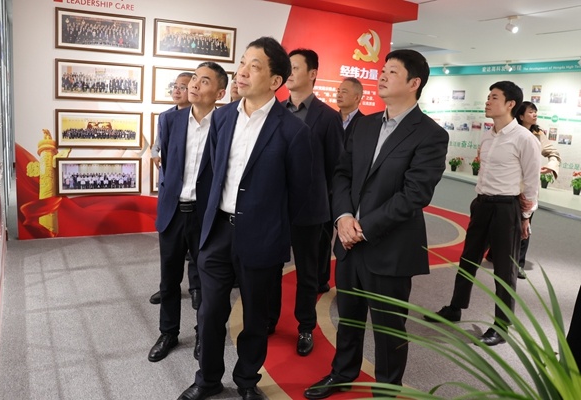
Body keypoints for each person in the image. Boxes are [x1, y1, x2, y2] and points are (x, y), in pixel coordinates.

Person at [304, 49, 449, 399]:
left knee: (389, 329)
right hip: (349, 241)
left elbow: (415, 194)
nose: (382, 76)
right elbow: (342, 174)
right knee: (349, 319)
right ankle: (342, 373)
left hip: (390, 247)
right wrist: (343, 218)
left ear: (414, 83)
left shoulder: (430, 134)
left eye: (392, 72)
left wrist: (362, 227)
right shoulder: (365, 124)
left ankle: (386, 389)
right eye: (382, 69)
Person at [178, 37, 317, 400]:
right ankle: (207, 379)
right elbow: (211, 174)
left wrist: (273, 229)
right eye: (242, 63)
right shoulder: (223, 118)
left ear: (275, 81)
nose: (242, 72)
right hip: (217, 233)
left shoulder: (293, 131)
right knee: (210, 313)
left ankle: (246, 380)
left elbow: (300, 194)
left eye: (254, 66)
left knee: (255, 317)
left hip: (261, 238)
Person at [426, 81, 542, 347]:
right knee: (468, 259)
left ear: (510, 104)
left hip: (507, 209)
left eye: (494, 97)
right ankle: (455, 308)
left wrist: (526, 217)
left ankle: (501, 325)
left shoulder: (524, 138)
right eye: (488, 96)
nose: (488, 101)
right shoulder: (488, 135)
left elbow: (531, 182)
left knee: (504, 269)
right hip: (482, 205)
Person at [148, 62, 227, 363]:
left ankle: (203, 334)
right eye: (194, 78)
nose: (194, 84)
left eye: (204, 81)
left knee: (206, 282)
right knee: (169, 279)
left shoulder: (225, 124)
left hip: (206, 216)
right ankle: (168, 332)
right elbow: (167, 165)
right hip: (173, 212)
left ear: (219, 92)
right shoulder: (171, 120)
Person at [267, 48, 343, 356]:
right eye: (287, 67)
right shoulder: (274, 112)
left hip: (311, 211)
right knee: (270, 268)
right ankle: (269, 320)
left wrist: (328, 207)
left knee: (308, 273)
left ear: (312, 74)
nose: (289, 73)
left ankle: (305, 327)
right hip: (274, 208)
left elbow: (336, 167)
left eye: (295, 67)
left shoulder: (328, 117)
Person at [486, 100, 561, 279]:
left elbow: (554, 153)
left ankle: (518, 263)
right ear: (520, 115)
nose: (535, 115)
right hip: (506, 187)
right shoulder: (509, 132)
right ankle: (493, 253)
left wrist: (551, 165)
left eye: (536, 111)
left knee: (524, 226)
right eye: (531, 112)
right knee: (500, 223)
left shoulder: (537, 135)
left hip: (527, 188)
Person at [149, 72, 201, 308]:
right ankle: (168, 288)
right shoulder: (166, 117)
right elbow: (157, 144)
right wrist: (155, 155)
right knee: (170, 250)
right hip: (171, 189)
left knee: (196, 249)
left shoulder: (208, 120)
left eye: (184, 86)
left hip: (195, 195)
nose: (178, 90)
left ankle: (196, 287)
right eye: (175, 86)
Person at [336, 77, 364, 149]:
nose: (339, 95)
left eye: (344, 92)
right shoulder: (331, 119)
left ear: (356, 98)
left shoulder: (365, 123)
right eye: (338, 91)